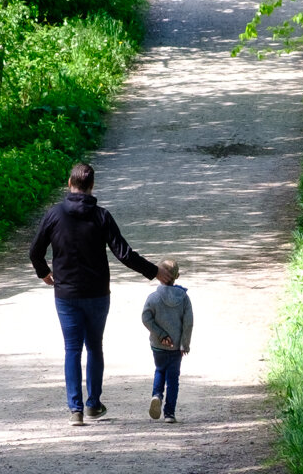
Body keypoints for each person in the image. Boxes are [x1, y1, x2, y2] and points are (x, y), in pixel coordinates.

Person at [30, 162, 158, 425]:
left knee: (72, 349)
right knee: (95, 347)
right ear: (92, 186)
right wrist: (155, 272)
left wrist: (44, 273)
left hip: (65, 294)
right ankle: (93, 405)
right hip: (98, 294)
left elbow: (35, 251)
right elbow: (124, 254)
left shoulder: (54, 215)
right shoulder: (101, 216)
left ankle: (75, 410)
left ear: (69, 183)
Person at [141, 258, 193, 422]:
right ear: (177, 276)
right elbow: (188, 322)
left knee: (159, 370)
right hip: (176, 347)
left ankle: (156, 395)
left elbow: (146, 317)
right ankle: (169, 413)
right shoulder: (184, 298)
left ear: (159, 276)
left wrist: (160, 333)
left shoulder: (153, 298)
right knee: (173, 379)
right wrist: (185, 343)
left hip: (158, 345)